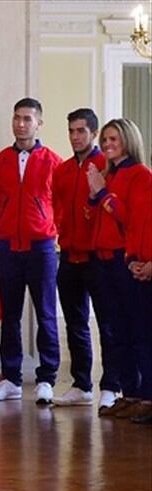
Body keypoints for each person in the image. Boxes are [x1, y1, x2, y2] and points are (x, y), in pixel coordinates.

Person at [0, 98, 62, 404]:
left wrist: (46, 226)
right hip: (8, 247)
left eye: (27, 119)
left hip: (42, 247)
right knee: (10, 315)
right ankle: (11, 379)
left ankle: (46, 379)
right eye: (17, 118)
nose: (20, 124)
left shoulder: (53, 161)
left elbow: (59, 203)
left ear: (38, 123)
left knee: (46, 314)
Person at [87, 118, 151, 419]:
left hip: (123, 259)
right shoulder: (107, 175)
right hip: (101, 259)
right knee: (115, 332)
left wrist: (103, 194)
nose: (107, 144)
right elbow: (94, 217)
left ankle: (146, 396)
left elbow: (131, 219)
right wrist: (94, 195)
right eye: (105, 140)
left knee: (138, 331)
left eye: (114, 139)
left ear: (128, 140)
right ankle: (130, 392)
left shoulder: (140, 175)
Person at [50, 109, 109, 407]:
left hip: (98, 257)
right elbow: (56, 208)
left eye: (81, 131)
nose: (75, 137)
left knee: (107, 323)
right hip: (68, 255)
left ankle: (111, 387)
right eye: (71, 131)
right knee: (75, 323)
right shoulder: (61, 170)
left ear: (94, 133)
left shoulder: (106, 166)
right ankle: (82, 385)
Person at [124, 152, 152, 424]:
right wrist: (132, 260)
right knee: (142, 337)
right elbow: (133, 226)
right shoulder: (145, 187)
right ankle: (146, 398)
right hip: (140, 271)